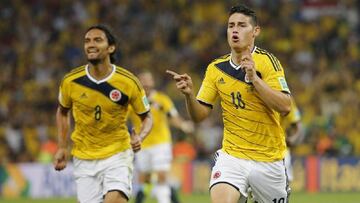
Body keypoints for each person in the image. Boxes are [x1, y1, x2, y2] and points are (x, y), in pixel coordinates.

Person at [167, 4, 292, 203]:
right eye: (231, 25)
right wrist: (189, 95)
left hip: (268, 160)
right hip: (232, 157)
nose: (235, 30)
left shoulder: (268, 62)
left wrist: (255, 79)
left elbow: (285, 106)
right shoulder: (215, 69)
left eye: (242, 25)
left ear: (255, 31)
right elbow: (199, 116)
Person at [53, 24, 153, 203]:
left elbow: (147, 117)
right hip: (83, 158)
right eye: (87, 41)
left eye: (97, 40)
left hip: (117, 154)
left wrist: (140, 136)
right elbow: (62, 111)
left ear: (111, 48)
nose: (90, 44)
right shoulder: (71, 81)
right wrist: (62, 146)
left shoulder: (128, 82)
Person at [127, 71, 194, 203]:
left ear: (153, 82)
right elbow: (121, 117)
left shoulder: (162, 99)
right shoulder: (132, 102)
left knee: (161, 175)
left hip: (161, 144)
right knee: (146, 178)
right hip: (142, 144)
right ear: (138, 83)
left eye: (148, 79)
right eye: (143, 80)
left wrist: (183, 125)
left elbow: (173, 116)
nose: (145, 82)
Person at [282, 98, 305, 184]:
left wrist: (292, 139)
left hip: (280, 148)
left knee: (285, 181)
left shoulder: (287, 100)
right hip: (257, 147)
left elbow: (299, 127)